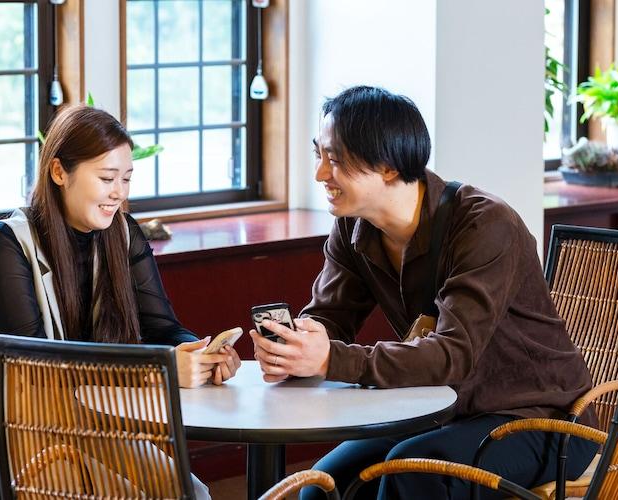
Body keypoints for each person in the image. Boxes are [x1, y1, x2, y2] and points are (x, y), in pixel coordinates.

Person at [249, 86, 599, 499]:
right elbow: (331, 317)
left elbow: (452, 354)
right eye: (318, 154)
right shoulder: (353, 227)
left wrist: (329, 358)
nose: (320, 173)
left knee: (410, 476)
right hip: (443, 409)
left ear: (388, 167)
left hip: (542, 418)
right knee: (324, 488)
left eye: (336, 159)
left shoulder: (483, 225)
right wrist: (295, 346)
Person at [0, 104, 239, 500]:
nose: (119, 193)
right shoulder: (5, 244)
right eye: (107, 178)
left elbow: (161, 324)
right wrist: (156, 370)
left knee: (187, 492)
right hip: (0, 430)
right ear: (59, 172)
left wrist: (197, 352)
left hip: (85, 421)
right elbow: (37, 366)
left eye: (126, 179)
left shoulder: (121, 234)